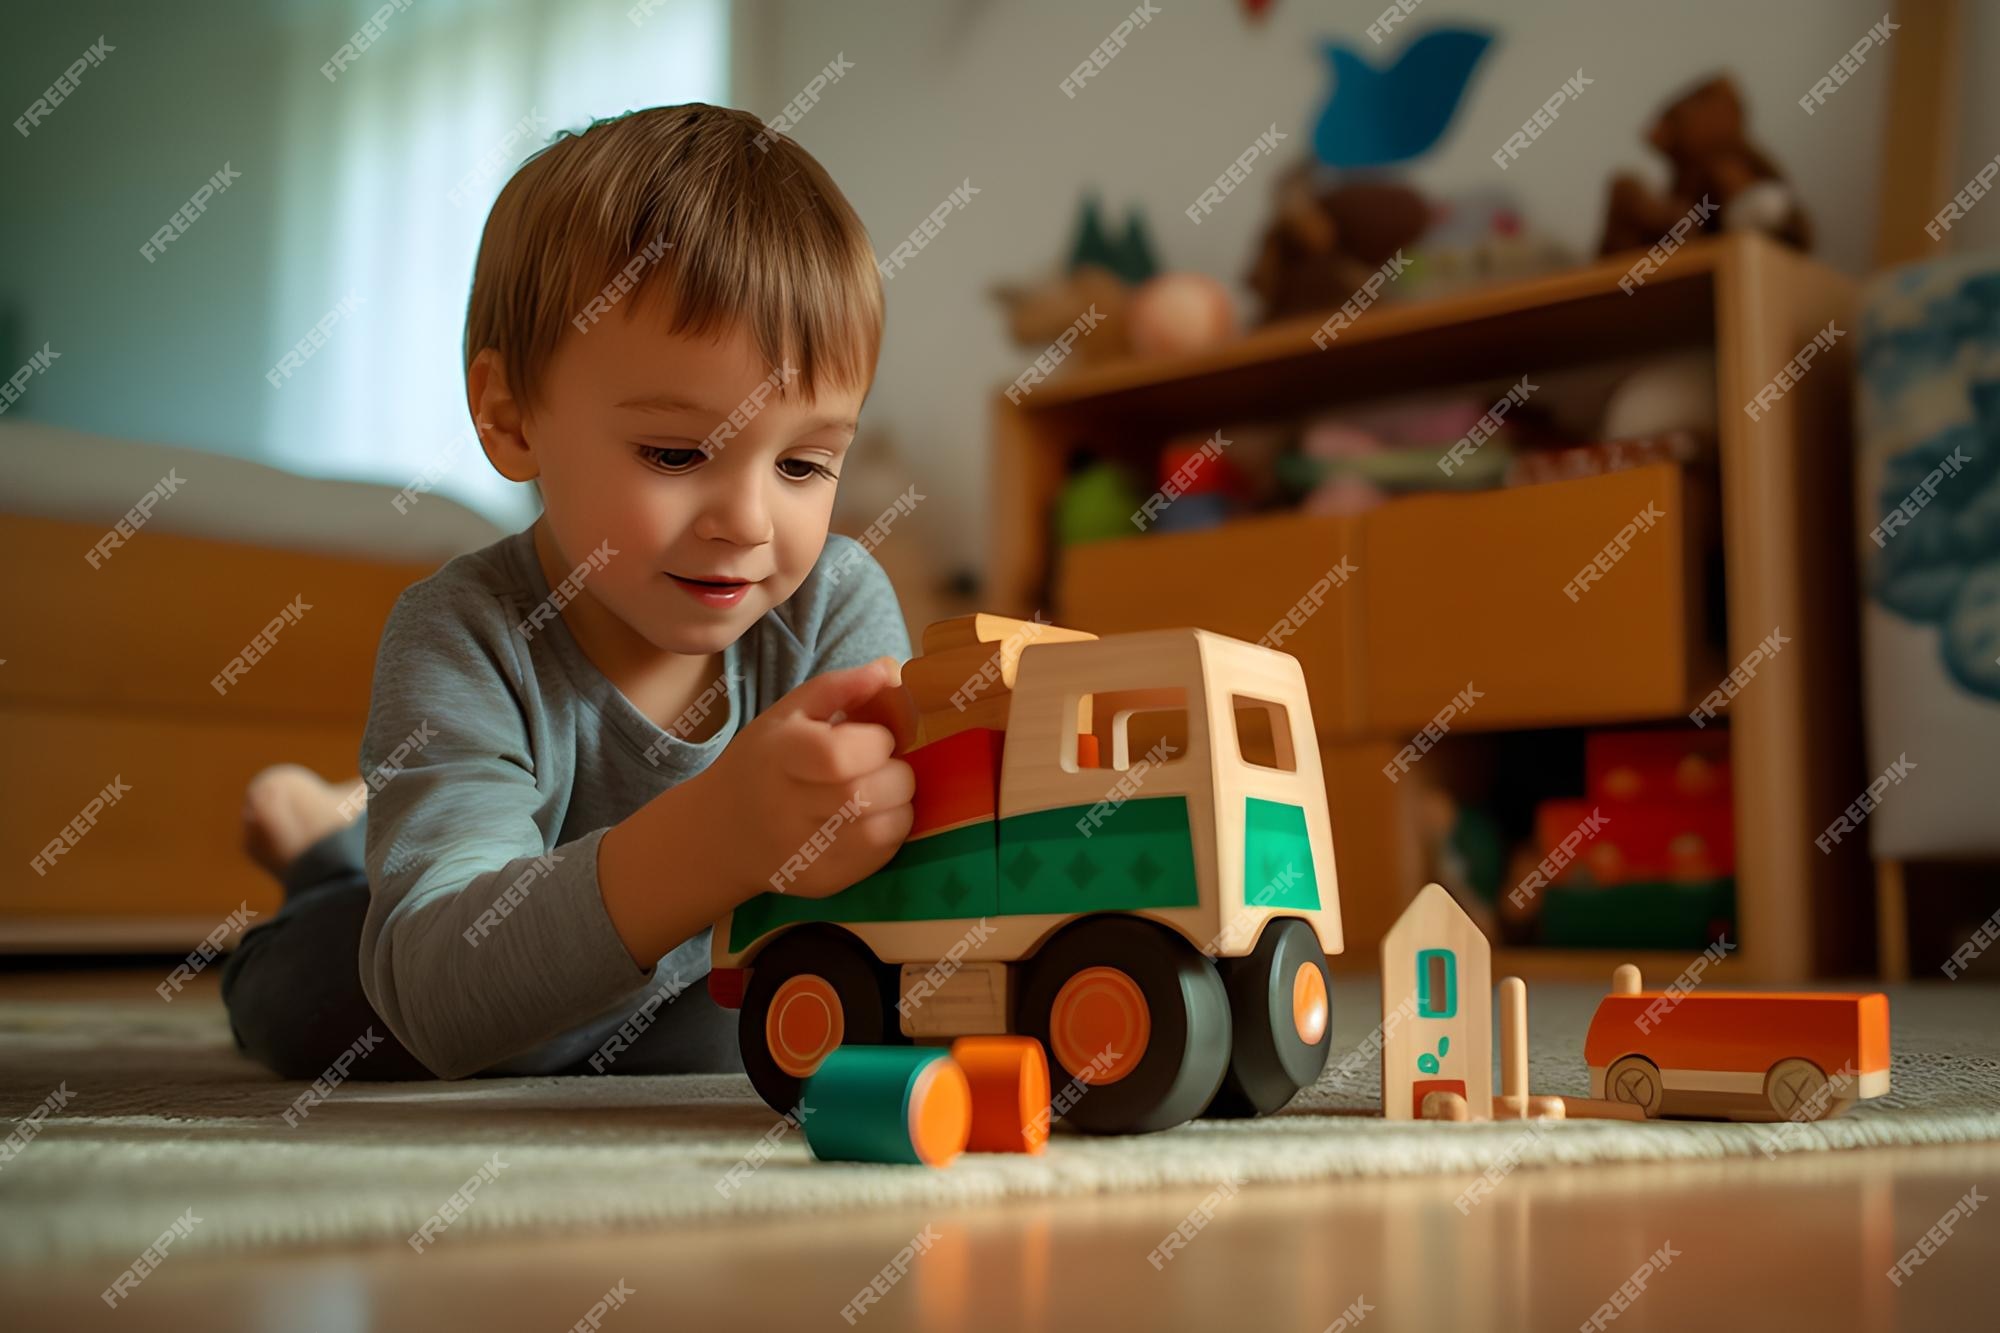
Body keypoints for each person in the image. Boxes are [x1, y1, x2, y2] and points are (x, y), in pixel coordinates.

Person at [223, 104, 917, 1082]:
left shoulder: (832, 605)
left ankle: (359, 824)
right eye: (676, 452)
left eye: (803, 465)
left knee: (725, 1032)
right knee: (298, 1002)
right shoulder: (464, 634)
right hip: (443, 953)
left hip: (691, 1003)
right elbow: (440, 999)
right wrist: (717, 837)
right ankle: (320, 849)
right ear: (511, 419)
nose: (750, 522)